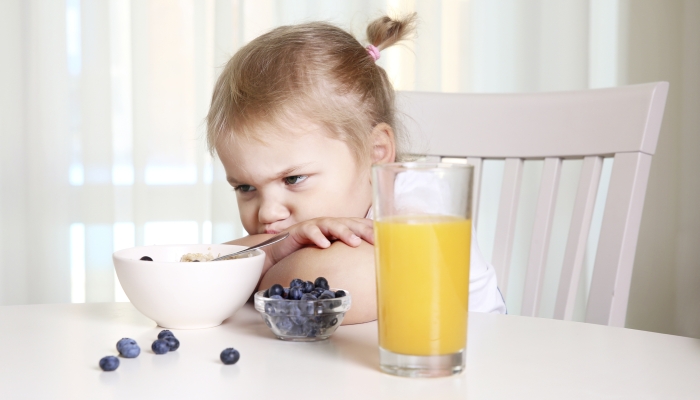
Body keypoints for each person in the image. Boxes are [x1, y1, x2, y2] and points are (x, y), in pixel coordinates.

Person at [206, 14, 506, 324]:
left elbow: (353, 282)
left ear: (376, 154)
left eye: (293, 179)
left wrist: (254, 271)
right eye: (245, 188)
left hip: (474, 362)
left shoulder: (417, 197)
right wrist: (273, 251)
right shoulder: (289, 230)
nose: (267, 213)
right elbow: (193, 272)